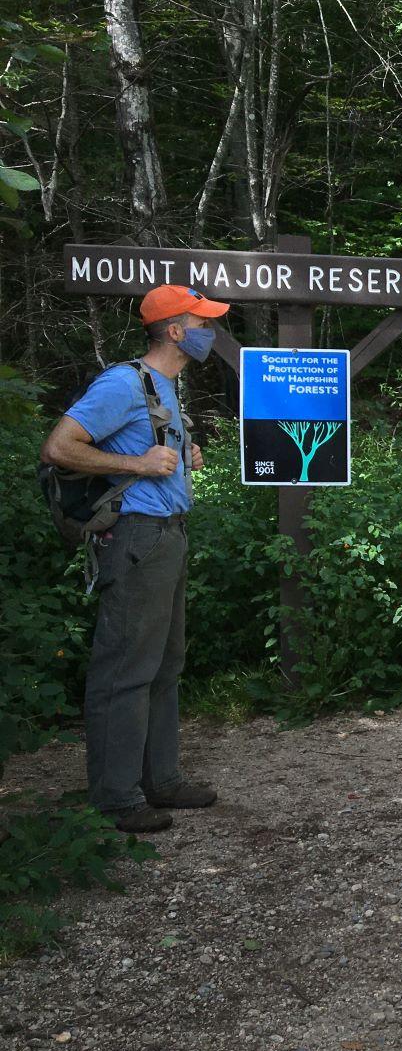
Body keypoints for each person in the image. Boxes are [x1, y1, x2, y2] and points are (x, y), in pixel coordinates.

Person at [40, 284, 232, 834]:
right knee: (125, 670)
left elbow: (147, 450)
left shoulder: (163, 387)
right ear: (175, 330)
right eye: (202, 322)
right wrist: (140, 466)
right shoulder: (123, 382)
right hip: (134, 539)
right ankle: (116, 798)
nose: (208, 332)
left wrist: (177, 456)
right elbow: (59, 446)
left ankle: (161, 779)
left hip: (166, 536)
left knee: (165, 666)